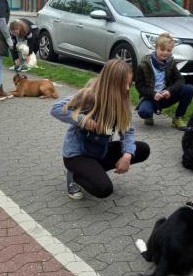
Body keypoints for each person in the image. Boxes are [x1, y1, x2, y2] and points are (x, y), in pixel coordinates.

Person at [51, 59, 150, 200]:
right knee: (104, 189)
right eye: (124, 84)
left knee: (142, 149)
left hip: (98, 151)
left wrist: (127, 155)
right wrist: (82, 120)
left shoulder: (121, 101)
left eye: (129, 83)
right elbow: (55, 109)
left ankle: (92, 171)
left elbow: (127, 131)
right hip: (77, 155)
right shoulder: (89, 96)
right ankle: (75, 175)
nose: (128, 88)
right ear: (111, 83)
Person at [135, 33, 193, 129]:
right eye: (162, 50)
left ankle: (178, 118)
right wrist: (153, 94)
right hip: (150, 97)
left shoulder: (170, 62)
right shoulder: (144, 64)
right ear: (156, 48)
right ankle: (149, 114)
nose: (165, 53)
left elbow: (180, 80)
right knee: (144, 112)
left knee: (189, 89)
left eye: (168, 50)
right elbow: (139, 86)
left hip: (165, 96)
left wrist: (169, 90)